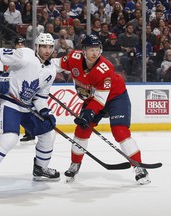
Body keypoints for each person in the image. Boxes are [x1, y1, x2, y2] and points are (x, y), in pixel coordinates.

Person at [51, 34, 151, 185]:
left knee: (120, 131)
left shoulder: (105, 68)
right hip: (93, 99)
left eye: (97, 49)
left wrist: (88, 113)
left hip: (115, 97)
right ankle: (75, 164)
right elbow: (53, 64)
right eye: (91, 49)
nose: (95, 53)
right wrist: (41, 74)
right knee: (82, 130)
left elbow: (100, 100)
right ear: (83, 51)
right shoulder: (73, 58)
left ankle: (138, 167)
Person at [0, 33, 60, 188]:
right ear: (36, 46)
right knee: (10, 138)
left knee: (48, 133)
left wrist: (45, 111)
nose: (47, 50)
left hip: (28, 107)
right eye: (43, 46)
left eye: (50, 47)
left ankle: (40, 169)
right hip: (9, 102)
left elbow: (40, 96)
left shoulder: (51, 70)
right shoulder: (24, 55)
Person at [12, 36, 36, 144]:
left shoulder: (29, 56)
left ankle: (30, 133)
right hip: (16, 86)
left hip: (26, 86)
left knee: (26, 110)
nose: (20, 46)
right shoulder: (12, 55)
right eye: (18, 44)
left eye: (22, 44)